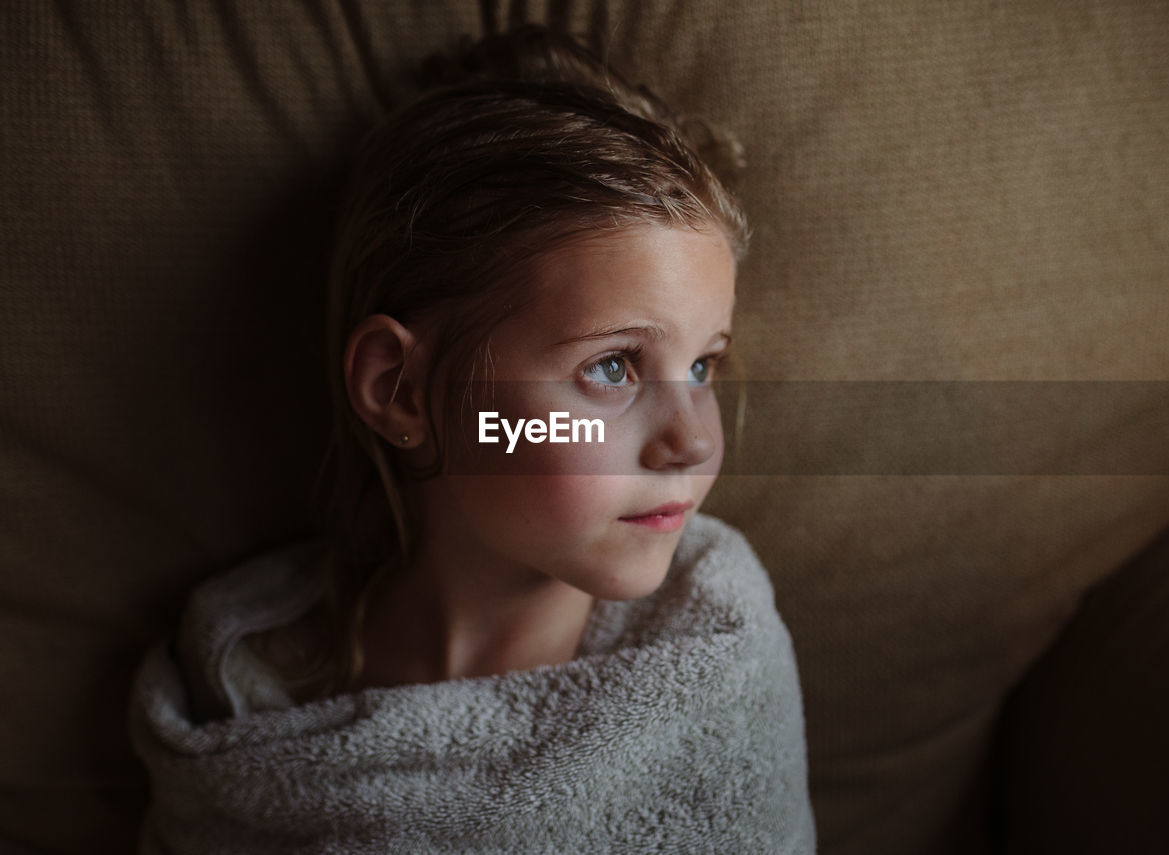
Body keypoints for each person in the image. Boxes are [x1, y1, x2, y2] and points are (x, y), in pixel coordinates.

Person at [130, 25, 815, 854]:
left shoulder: (715, 654)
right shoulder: (251, 677)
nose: (693, 441)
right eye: (612, 369)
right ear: (400, 389)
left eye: (704, 366)